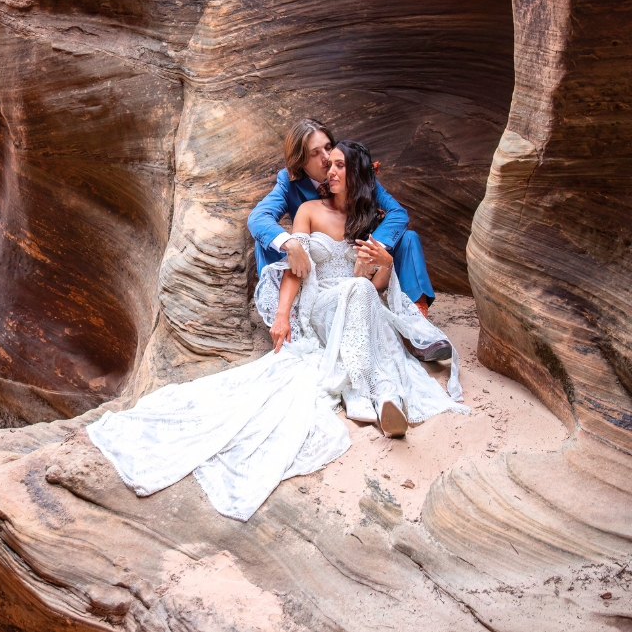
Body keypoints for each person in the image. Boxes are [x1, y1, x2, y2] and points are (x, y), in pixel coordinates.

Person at [87, 140, 467, 522]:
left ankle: (379, 399)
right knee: (357, 292)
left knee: (362, 289)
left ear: (358, 174)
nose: (329, 171)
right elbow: (294, 271)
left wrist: (382, 264)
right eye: (327, 163)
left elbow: (376, 285)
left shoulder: (368, 220)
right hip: (320, 304)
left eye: (338, 165)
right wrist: (283, 315)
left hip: (355, 297)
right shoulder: (307, 210)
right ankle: (367, 390)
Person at [248, 119, 452, 362]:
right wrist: (291, 244)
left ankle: (416, 326)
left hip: (356, 266)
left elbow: (397, 214)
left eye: (328, 147)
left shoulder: (355, 174)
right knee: (267, 242)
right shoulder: (289, 182)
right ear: (301, 162)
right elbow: (259, 217)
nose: (325, 158)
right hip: (309, 266)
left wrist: (372, 248)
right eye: (315, 153)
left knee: (408, 238)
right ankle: (283, 318)